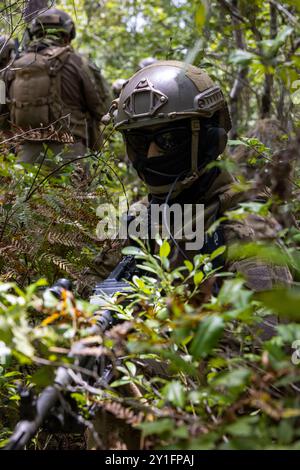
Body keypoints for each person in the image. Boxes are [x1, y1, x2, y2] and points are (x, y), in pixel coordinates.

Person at [85, 61, 292, 449]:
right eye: (138, 141)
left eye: (165, 141)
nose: (149, 154)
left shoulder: (247, 231)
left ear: (207, 137)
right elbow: (99, 286)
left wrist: (134, 362)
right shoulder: (145, 215)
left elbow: (258, 369)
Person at [5, 8, 111, 167]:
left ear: (34, 33)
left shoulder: (10, 69)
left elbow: (1, 113)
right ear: (68, 35)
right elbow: (103, 109)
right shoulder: (78, 63)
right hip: (70, 157)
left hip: (24, 159)